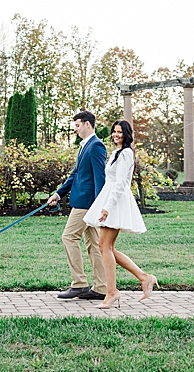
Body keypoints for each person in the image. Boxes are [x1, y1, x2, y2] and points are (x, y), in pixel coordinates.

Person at [83, 119, 157, 309]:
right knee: (107, 248)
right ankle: (144, 277)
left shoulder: (125, 154)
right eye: (114, 131)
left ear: (126, 134)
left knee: (104, 247)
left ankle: (112, 292)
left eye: (120, 132)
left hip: (115, 201)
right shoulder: (116, 152)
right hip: (109, 198)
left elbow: (122, 183)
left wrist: (107, 207)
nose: (116, 135)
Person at [46, 110, 108, 300]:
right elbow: (75, 175)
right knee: (94, 245)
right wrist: (58, 193)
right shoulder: (84, 146)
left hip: (87, 204)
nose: (76, 129)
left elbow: (101, 178)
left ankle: (79, 284)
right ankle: (101, 288)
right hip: (83, 202)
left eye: (77, 125)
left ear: (88, 124)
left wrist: (99, 205)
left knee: (69, 237)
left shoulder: (96, 146)